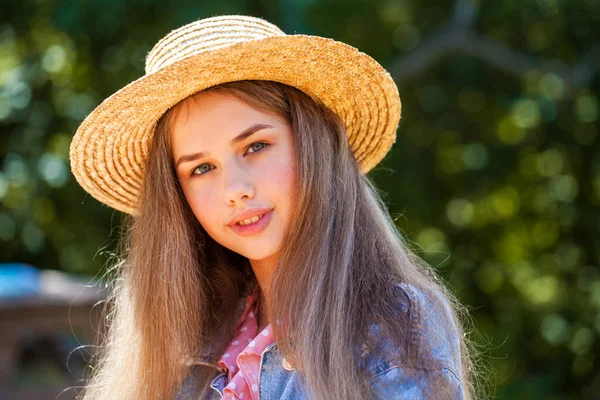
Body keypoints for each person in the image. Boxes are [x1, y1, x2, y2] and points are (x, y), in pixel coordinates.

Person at [70, 15, 480, 400]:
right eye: (201, 168)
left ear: (311, 145)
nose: (236, 189)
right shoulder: (182, 345)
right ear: (178, 196)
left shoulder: (392, 322)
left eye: (255, 146)